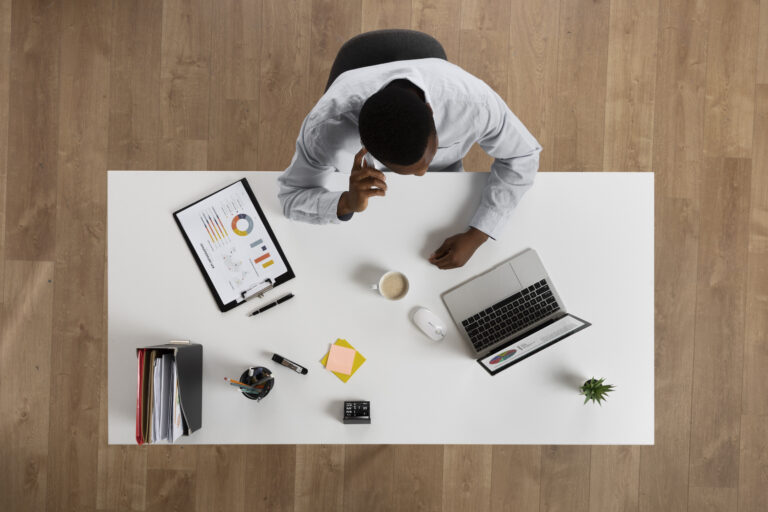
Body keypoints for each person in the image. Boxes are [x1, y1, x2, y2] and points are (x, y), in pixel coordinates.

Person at [278, 58, 541, 269]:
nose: (423, 173)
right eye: (408, 170)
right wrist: (346, 202)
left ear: (430, 111)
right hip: (365, 222)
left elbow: (524, 155)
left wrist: (479, 233)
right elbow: (290, 199)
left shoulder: (472, 103)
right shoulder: (325, 129)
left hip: (444, 196)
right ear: (366, 148)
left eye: (425, 161)